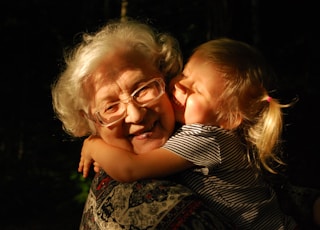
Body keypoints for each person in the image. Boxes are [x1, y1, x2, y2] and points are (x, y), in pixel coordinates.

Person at [79, 38, 300, 229]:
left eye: (197, 91)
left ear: (228, 119)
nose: (181, 86)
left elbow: (130, 168)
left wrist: (94, 145)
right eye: (185, 74)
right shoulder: (206, 134)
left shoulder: (205, 138)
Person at [51, 19, 234, 229]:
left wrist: (94, 145)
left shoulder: (204, 134)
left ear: (165, 80)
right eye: (111, 107)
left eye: (143, 89)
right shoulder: (154, 206)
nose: (136, 115)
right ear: (91, 122)